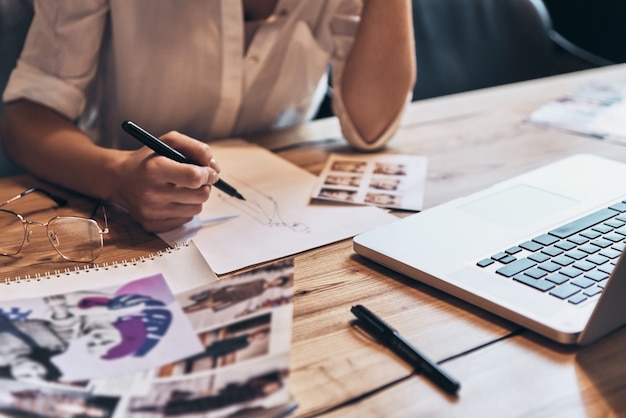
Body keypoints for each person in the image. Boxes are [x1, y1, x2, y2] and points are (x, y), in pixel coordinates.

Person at [0, 1, 415, 233]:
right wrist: (115, 175)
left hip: (280, 222)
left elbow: (370, 127)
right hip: (115, 221)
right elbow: (26, 116)